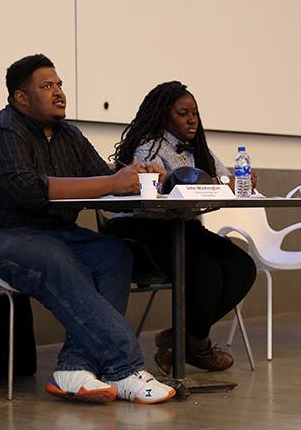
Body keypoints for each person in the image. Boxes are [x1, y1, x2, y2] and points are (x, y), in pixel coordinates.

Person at [0, 54, 175, 405]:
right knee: (58, 260)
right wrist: (113, 181)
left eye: (60, 84)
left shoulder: (70, 135)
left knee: (113, 254)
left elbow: (107, 188)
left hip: (48, 236)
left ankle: (74, 368)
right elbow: (29, 190)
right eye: (47, 86)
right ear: (21, 98)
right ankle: (124, 366)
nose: (59, 92)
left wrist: (145, 183)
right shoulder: (3, 132)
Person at [108, 81, 257, 375]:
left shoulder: (198, 147)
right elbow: (154, 191)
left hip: (184, 226)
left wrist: (245, 182)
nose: (192, 120)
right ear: (165, 116)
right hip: (143, 229)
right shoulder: (148, 146)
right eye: (183, 113)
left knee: (242, 267)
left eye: (195, 113)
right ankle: (197, 347)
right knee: (206, 269)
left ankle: (179, 340)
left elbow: (225, 180)